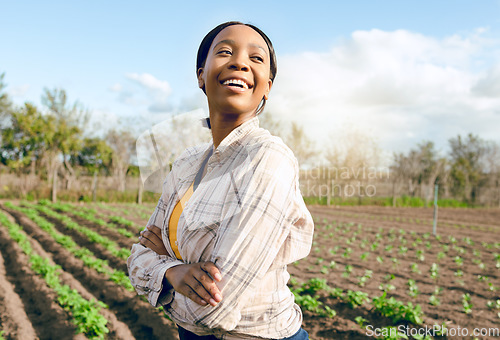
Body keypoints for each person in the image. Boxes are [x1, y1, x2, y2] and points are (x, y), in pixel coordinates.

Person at [127, 21, 314, 340]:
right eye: (225, 51)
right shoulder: (187, 162)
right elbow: (137, 259)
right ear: (201, 74)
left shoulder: (269, 159)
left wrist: (165, 264)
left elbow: (213, 306)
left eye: (256, 59)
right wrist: (174, 271)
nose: (240, 62)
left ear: (267, 86)